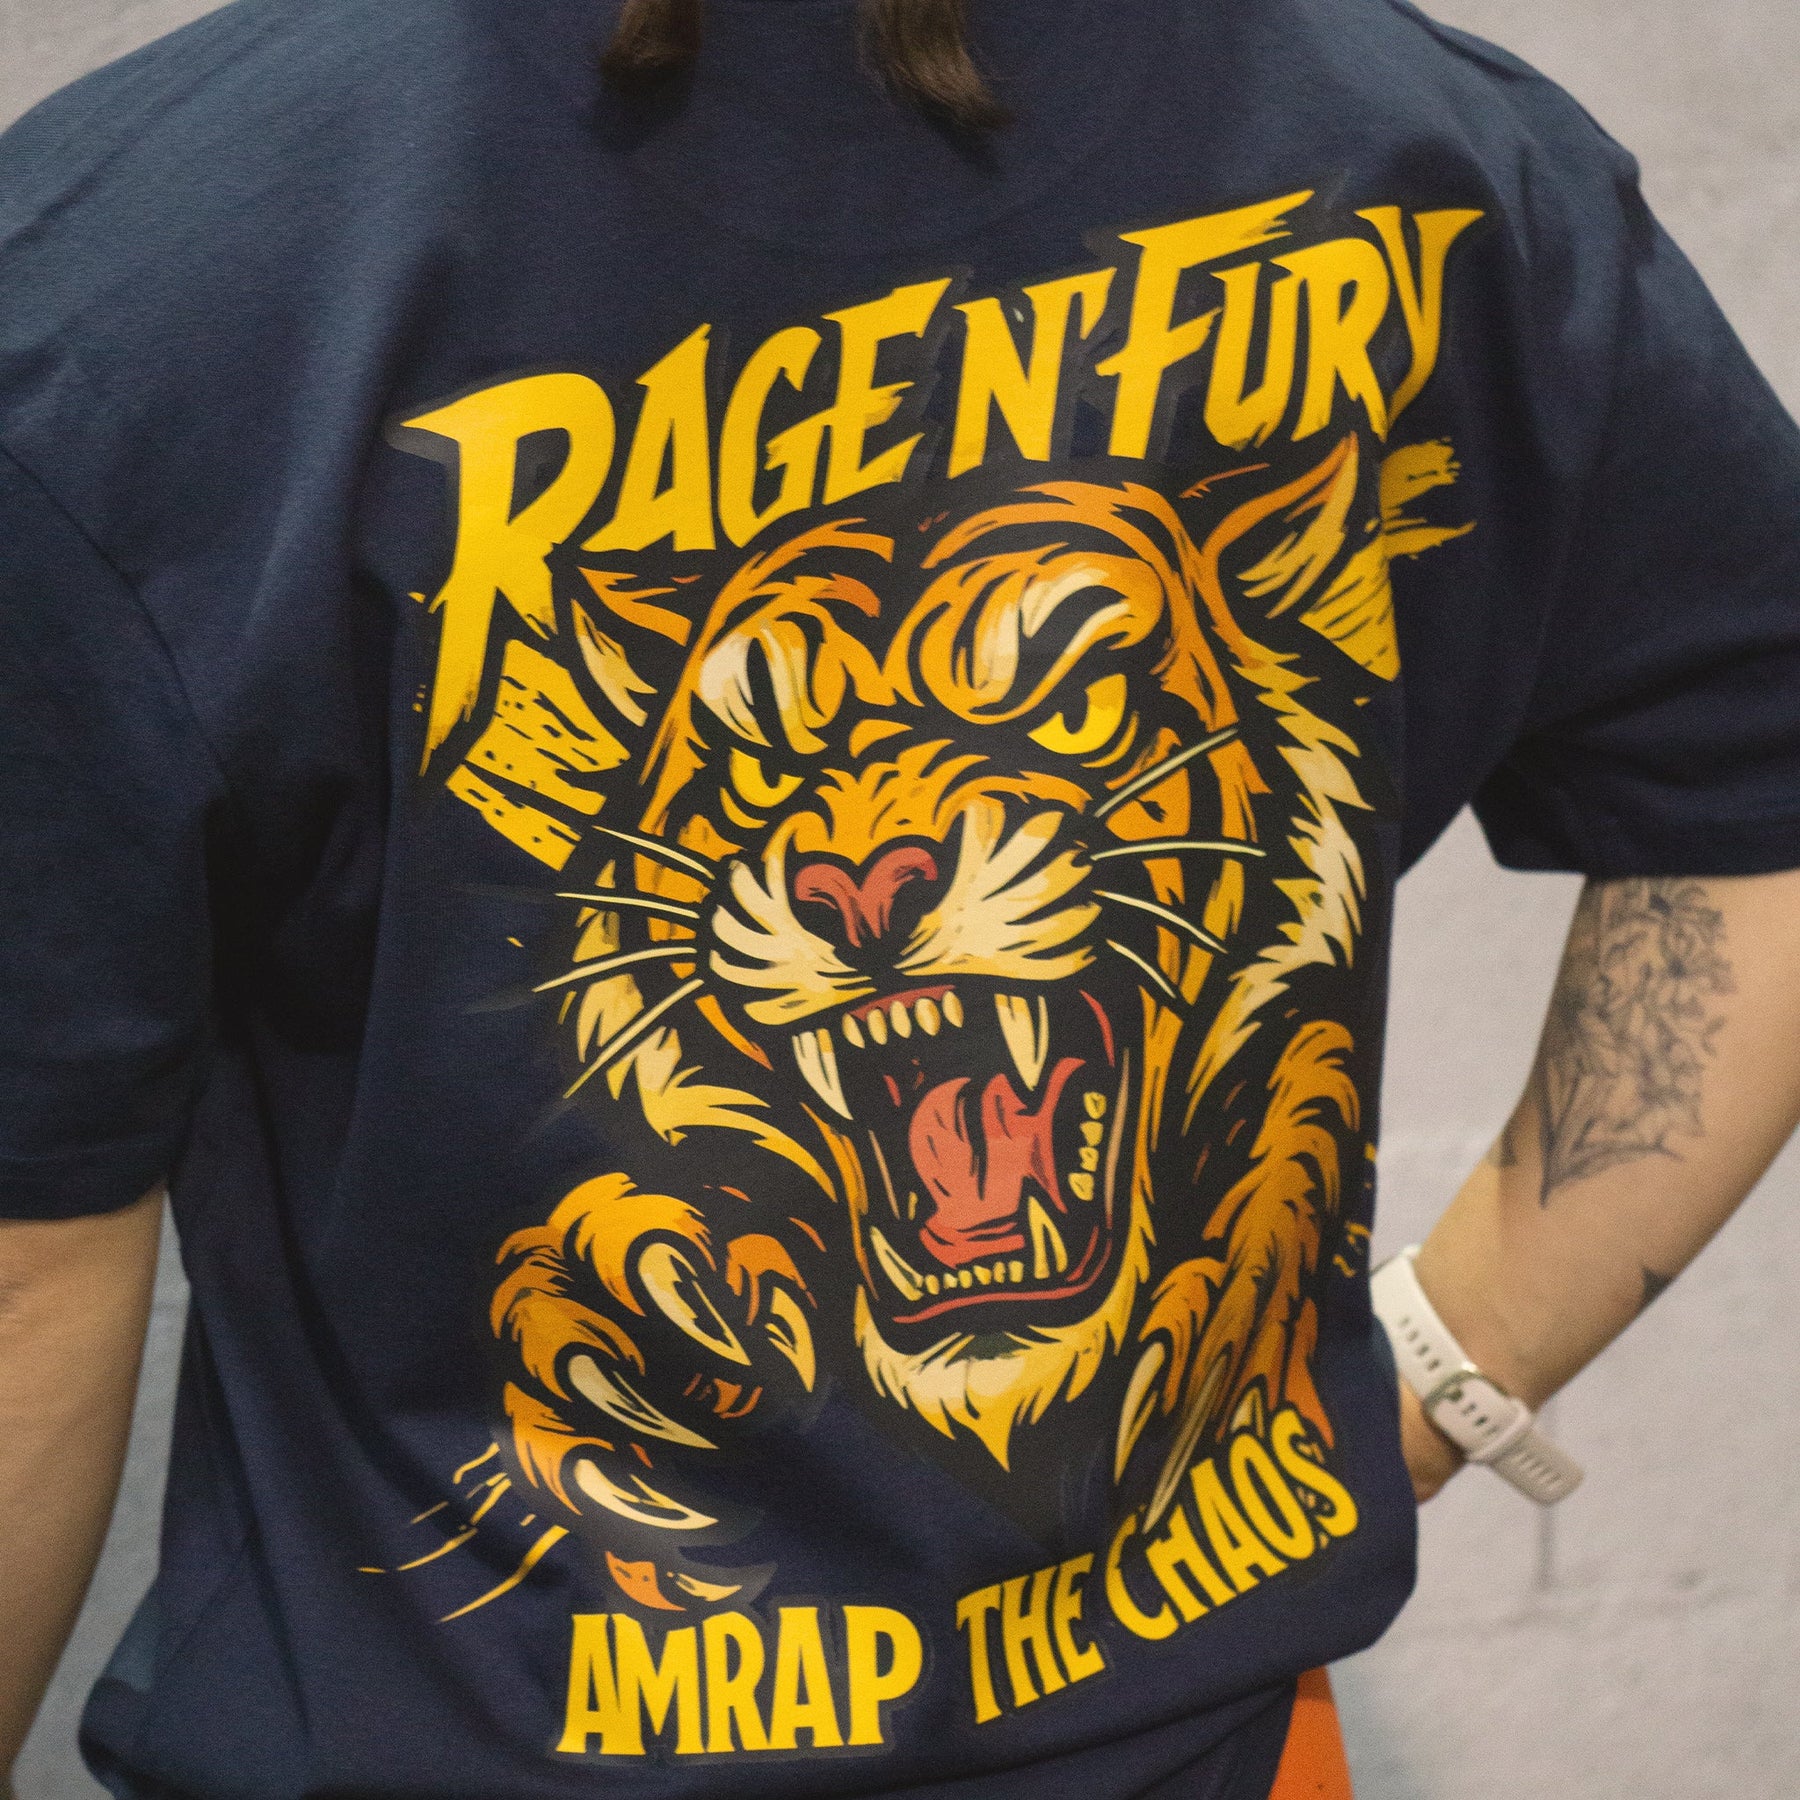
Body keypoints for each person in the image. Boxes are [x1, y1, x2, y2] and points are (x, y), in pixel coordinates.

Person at [3, 0, 1798, 1794]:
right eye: (759, 761)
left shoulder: (143, 264)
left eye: (1069, 686)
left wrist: (1437, 1378)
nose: (869, 853)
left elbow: (29, 1259)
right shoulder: (1421, 146)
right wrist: (1444, 1375)